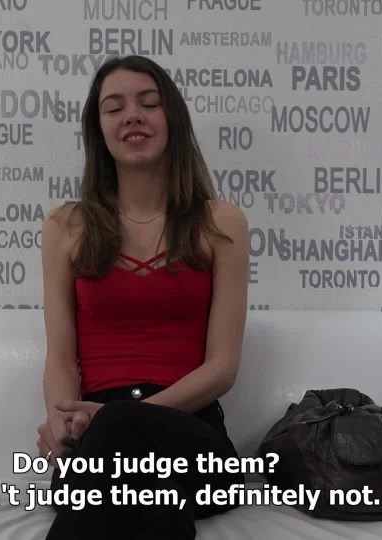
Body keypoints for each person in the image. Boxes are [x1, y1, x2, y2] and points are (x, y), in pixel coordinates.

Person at [36, 55, 250, 540]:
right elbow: (61, 357)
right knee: (152, 493)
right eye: (115, 108)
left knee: (123, 442)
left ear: (172, 119)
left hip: (189, 431)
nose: (132, 115)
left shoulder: (221, 223)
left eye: (148, 104)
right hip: (97, 436)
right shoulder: (65, 226)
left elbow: (223, 367)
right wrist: (62, 418)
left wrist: (125, 416)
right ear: (99, 130)